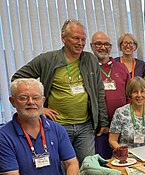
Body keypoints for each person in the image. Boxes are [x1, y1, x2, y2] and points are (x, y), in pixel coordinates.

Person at [12, 19, 109, 164]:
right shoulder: (47, 59)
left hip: (85, 126)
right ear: (64, 38)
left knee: (89, 166)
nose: (80, 43)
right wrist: (40, 108)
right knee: (62, 167)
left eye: (83, 39)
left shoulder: (90, 60)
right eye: (76, 38)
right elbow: (17, 78)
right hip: (58, 126)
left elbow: (99, 91)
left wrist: (103, 121)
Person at [0, 78, 85, 175]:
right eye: (23, 98)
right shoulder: (4, 136)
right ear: (12, 101)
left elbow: (71, 163)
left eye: (36, 97)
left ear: (43, 100)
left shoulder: (56, 129)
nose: (31, 102)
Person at [90, 31, 131, 159]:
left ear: (111, 47)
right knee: (103, 162)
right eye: (98, 44)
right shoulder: (87, 68)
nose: (103, 47)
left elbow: (129, 94)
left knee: (122, 160)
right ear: (91, 46)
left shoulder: (121, 67)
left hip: (121, 125)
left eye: (106, 44)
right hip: (98, 128)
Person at [109, 77, 145, 149]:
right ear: (130, 94)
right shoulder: (120, 113)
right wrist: (123, 153)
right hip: (126, 156)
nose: (139, 95)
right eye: (135, 92)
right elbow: (112, 140)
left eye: (142, 91)